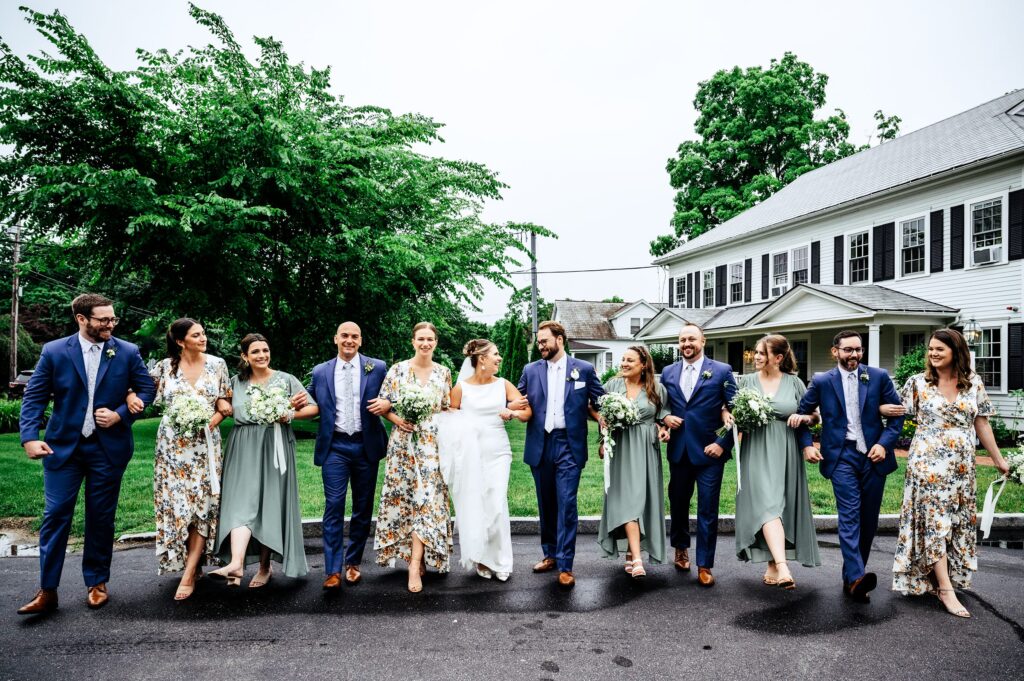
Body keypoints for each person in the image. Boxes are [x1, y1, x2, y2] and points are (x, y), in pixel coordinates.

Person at [17, 294, 156, 615]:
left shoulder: (127, 351)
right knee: (55, 516)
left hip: (108, 450)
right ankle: (47, 590)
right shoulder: (54, 351)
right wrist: (28, 438)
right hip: (62, 448)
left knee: (100, 517)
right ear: (82, 319)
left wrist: (122, 413)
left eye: (113, 319)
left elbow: (147, 388)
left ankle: (96, 582)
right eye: (103, 320)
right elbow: (34, 397)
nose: (110, 324)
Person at [888, 328, 1009, 618]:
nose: (933, 353)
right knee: (934, 521)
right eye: (930, 349)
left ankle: (935, 579)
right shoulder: (917, 383)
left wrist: (999, 460)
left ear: (956, 351)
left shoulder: (973, 384)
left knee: (954, 522)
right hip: (927, 464)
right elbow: (894, 411)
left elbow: (982, 424)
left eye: (939, 349)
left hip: (961, 466)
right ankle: (945, 589)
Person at [797, 329, 903, 603]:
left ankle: (851, 581)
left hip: (873, 455)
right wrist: (808, 444)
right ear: (836, 352)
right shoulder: (822, 381)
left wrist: (884, 444)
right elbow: (802, 414)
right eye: (848, 350)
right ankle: (858, 576)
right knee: (850, 515)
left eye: (858, 349)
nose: (854, 354)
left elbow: (897, 417)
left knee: (868, 521)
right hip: (841, 454)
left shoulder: (878, 376)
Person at [211, 333, 318, 587]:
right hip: (242, 448)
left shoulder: (285, 380)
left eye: (265, 350)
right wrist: (219, 403)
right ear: (244, 356)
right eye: (255, 351)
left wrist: (289, 413)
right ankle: (236, 563)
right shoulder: (234, 383)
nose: (262, 355)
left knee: (269, 505)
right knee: (239, 504)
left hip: (275, 446)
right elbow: (220, 406)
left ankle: (264, 566)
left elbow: (313, 409)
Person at [510, 320, 604, 589]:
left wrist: (607, 418)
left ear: (559, 339)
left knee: (567, 503)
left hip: (569, 444)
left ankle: (565, 564)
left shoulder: (583, 369)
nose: (540, 346)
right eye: (539, 342)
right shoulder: (531, 370)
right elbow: (518, 399)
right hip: (540, 443)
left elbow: (601, 400)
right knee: (546, 503)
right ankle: (550, 554)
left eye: (544, 341)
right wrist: (511, 407)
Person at [147, 318, 232, 600]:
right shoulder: (163, 368)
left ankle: (190, 571)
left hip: (206, 446)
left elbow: (225, 401)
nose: (203, 338)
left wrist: (215, 418)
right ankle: (187, 562)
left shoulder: (218, 365)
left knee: (204, 506)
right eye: (197, 335)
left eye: (204, 333)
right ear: (181, 341)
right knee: (179, 507)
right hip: (173, 449)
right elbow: (140, 392)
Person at [731, 335, 820, 589]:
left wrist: (802, 421)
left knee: (780, 506)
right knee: (768, 504)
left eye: (762, 353)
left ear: (778, 358)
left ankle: (773, 561)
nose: (756, 357)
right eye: (755, 352)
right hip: (756, 451)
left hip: (786, 450)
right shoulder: (745, 382)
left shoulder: (795, 383)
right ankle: (783, 567)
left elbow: (813, 416)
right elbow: (734, 415)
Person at [307, 322, 390, 589]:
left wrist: (390, 403)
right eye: (344, 335)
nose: (349, 340)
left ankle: (353, 562)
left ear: (360, 340)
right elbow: (310, 401)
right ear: (336, 338)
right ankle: (332, 570)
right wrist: (293, 404)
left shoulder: (377, 367)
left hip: (366, 446)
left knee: (363, 507)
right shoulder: (320, 371)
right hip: (335, 447)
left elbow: (393, 394)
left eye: (354, 336)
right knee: (333, 504)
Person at [441, 339, 531, 581]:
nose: (499, 358)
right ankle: (481, 558)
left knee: (497, 503)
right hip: (471, 454)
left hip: (498, 452)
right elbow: (448, 420)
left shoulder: (503, 385)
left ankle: (501, 560)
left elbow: (526, 411)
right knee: (475, 504)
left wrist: (512, 412)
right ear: (481, 359)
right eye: (495, 354)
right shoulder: (460, 389)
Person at [373, 322, 454, 593]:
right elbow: (382, 405)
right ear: (412, 341)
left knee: (426, 502)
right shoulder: (397, 370)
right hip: (402, 445)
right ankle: (413, 558)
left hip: (431, 446)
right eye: (421, 339)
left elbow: (446, 409)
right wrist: (398, 418)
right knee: (406, 501)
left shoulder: (444, 373)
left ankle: (415, 565)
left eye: (430, 339)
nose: (425, 343)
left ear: (436, 342)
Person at [661, 324, 736, 587]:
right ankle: (680, 548)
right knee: (678, 503)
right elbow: (661, 404)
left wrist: (722, 444)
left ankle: (705, 564)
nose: (686, 343)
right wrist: (664, 419)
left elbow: (736, 410)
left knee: (708, 509)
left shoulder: (722, 371)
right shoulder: (668, 372)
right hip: (679, 450)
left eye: (691, 338)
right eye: (682, 339)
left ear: (703, 340)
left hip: (709, 452)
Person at [595, 346, 670, 579]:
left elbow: (663, 416)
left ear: (643, 364)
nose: (624, 364)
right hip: (620, 449)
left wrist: (665, 429)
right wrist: (602, 438)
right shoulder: (611, 387)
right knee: (627, 500)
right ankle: (637, 558)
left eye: (630, 360)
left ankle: (631, 550)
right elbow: (600, 414)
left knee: (640, 501)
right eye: (623, 359)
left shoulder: (657, 389)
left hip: (646, 449)